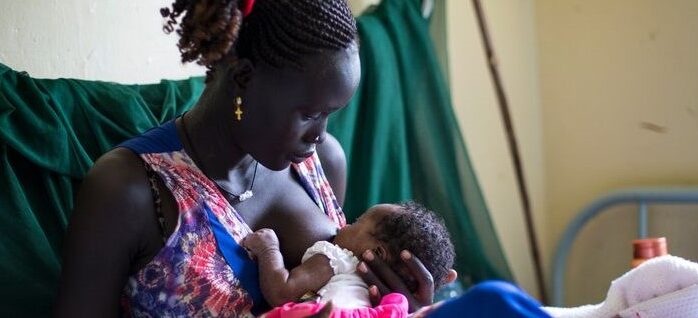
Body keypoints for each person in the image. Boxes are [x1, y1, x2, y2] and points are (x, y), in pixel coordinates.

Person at [54, 0, 448, 317]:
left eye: (331, 114)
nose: (321, 134)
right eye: (309, 114)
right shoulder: (131, 190)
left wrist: (397, 308)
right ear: (243, 78)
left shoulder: (322, 162)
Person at [242, 202, 456, 317]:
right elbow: (306, 297)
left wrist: (269, 249)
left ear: (377, 253)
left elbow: (282, 294)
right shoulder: (392, 307)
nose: (343, 226)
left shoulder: (337, 259)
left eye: (356, 222)